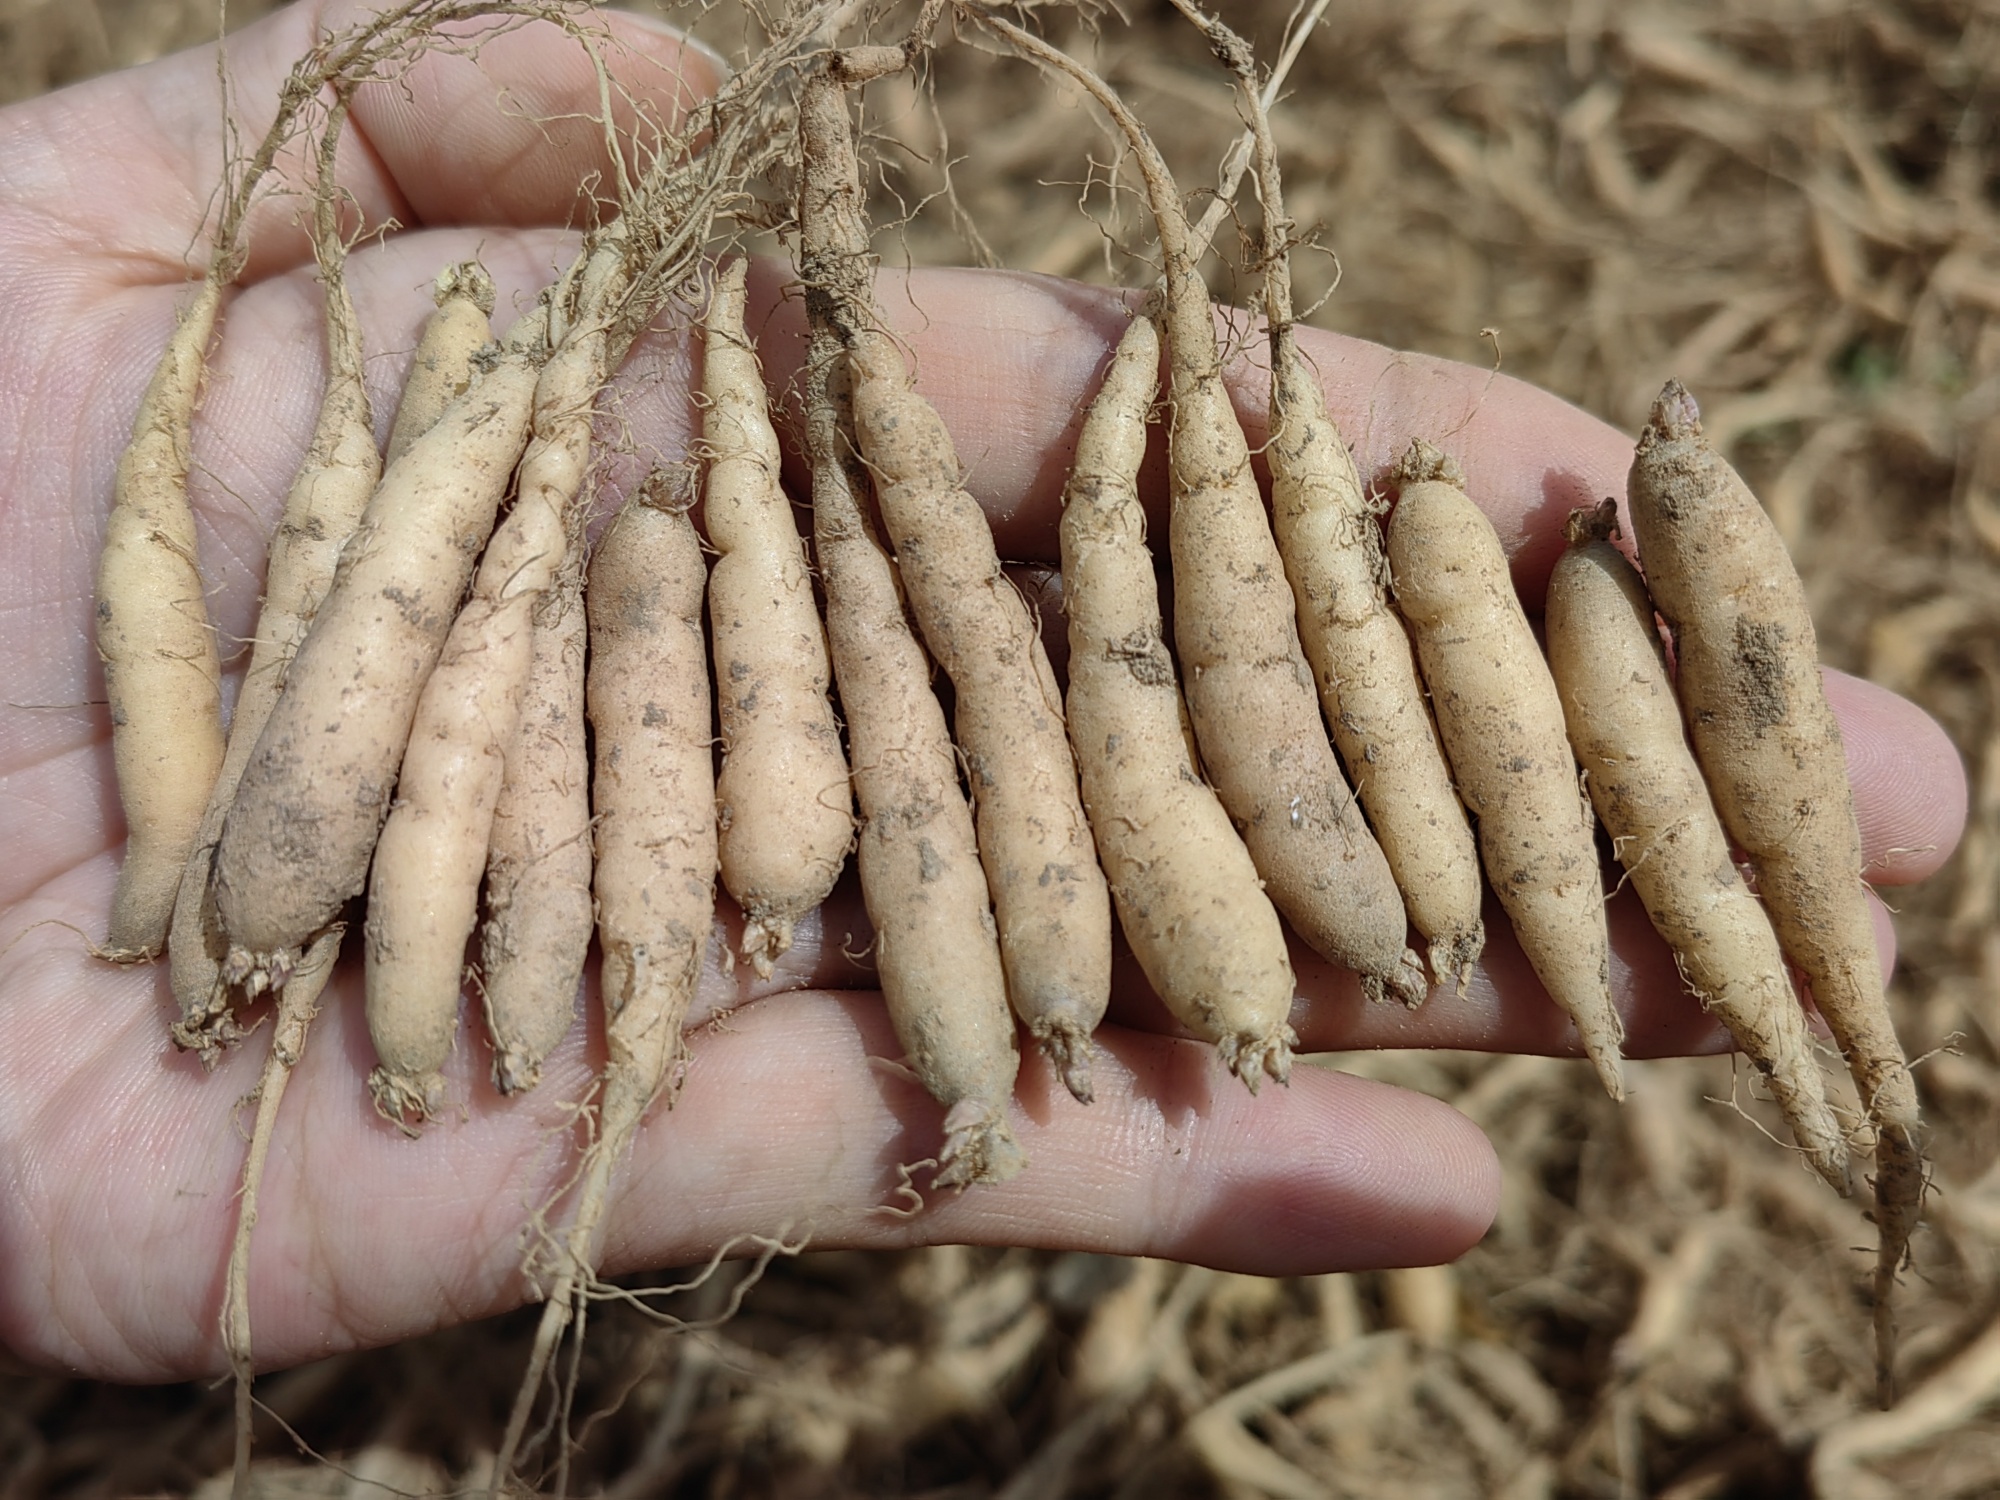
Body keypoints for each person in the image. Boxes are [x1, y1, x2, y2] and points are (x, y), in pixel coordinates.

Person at [0, 0, 1964, 1384]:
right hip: (645, 602)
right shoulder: (626, 543)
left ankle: (1850, 1091)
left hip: (907, 597)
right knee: (802, 580)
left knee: (980, 593)